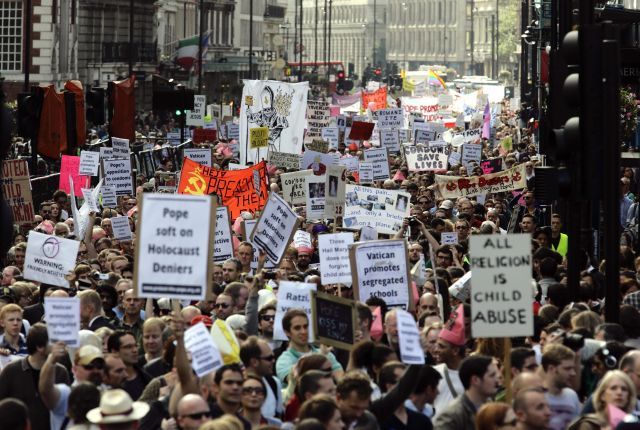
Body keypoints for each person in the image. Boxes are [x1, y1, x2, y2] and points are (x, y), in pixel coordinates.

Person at [0, 324, 70, 430]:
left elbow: (66, 406)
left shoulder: (61, 372)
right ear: (40, 347)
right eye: (53, 341)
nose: (57, 345)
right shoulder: (11, 371)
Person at [275, 309, 343, 386]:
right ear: (287, 332)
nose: (303, 331)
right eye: (297, 328)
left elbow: (341, 381)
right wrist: (321, 358)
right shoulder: (284, 360)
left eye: (305, 326)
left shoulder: (326, 354)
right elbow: (299, 381)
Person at [434, 355, 500, 430]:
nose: (497, 380)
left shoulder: (493, 408)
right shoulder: (453, 416)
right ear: (475, 380)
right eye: (492, 375)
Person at [541, 344, 581, 430]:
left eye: (573, 368)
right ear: (551, 368)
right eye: (567, 369)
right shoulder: (536, 397)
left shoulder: (572, 395)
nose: (573, 373)